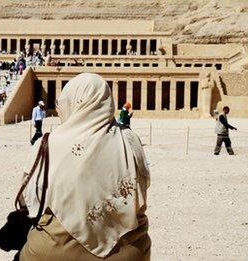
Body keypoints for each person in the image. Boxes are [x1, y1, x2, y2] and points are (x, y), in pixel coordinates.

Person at [19, 73, 151, 260]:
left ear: (72, 103)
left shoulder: (47, 143)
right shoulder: (130, 139)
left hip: (54, 249)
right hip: (127, 248)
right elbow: (142, 189)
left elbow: (28, 198)